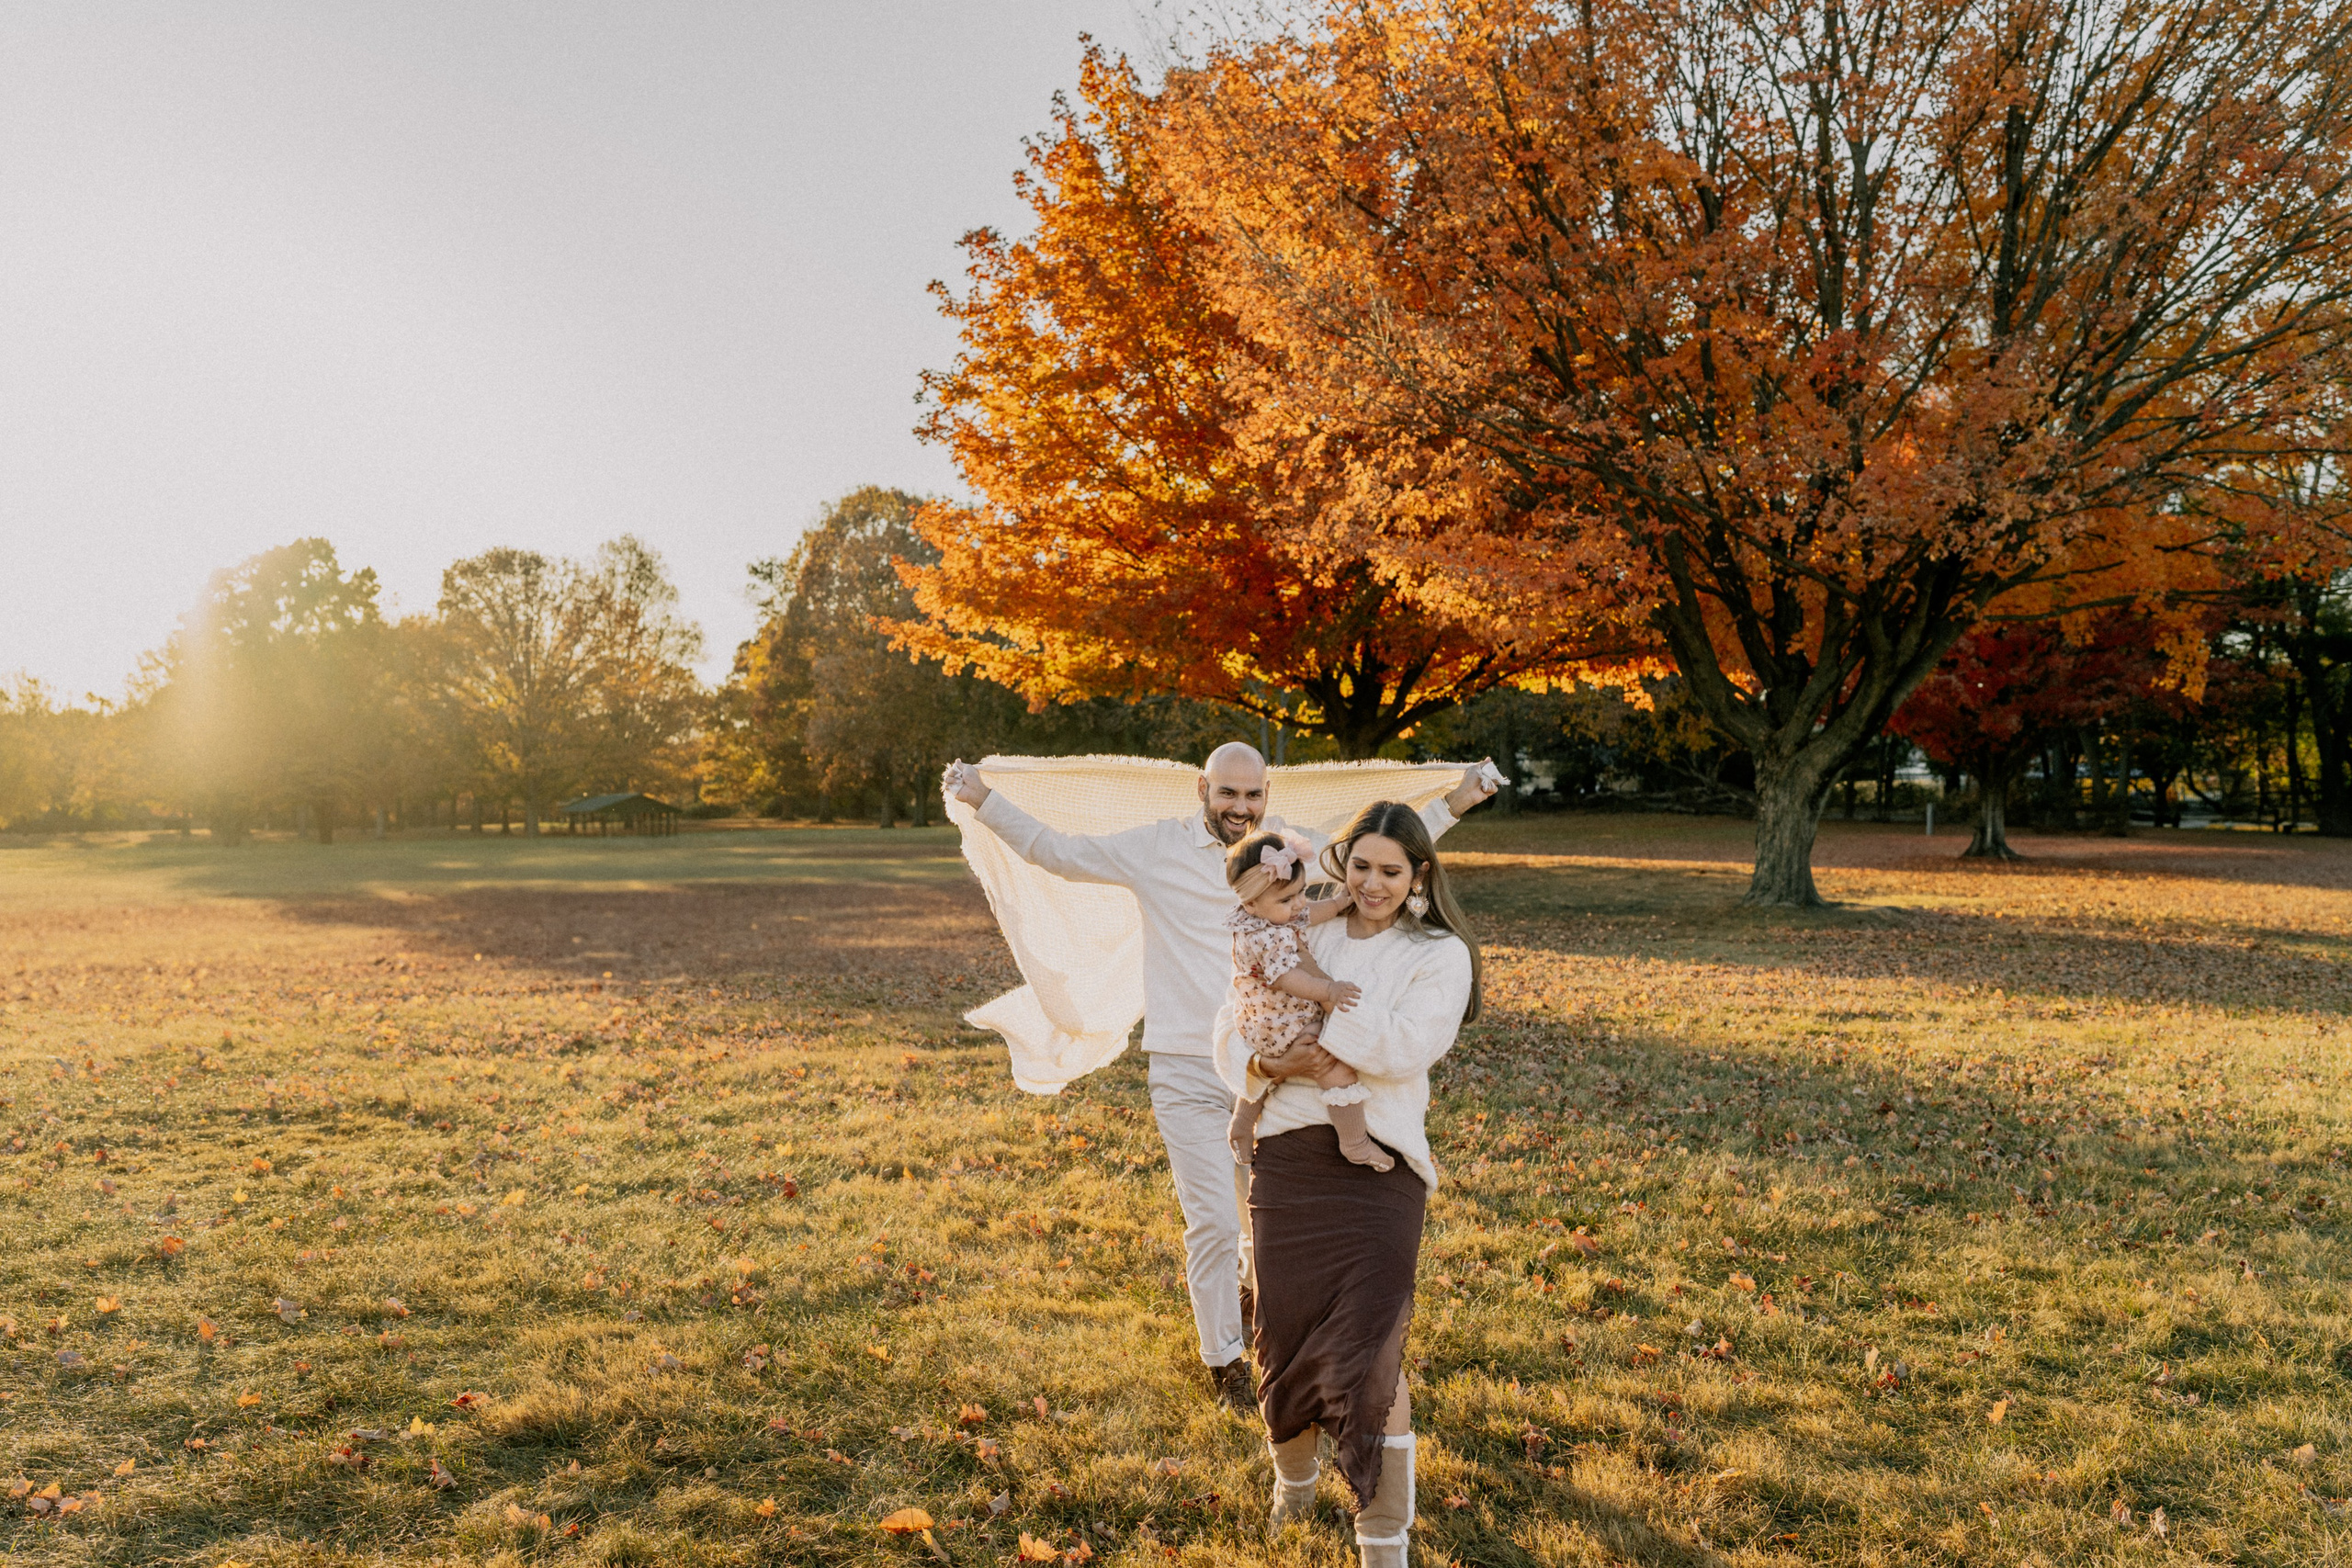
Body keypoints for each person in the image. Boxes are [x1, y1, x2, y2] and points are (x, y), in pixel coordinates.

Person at [945, 744, 1495, 1412]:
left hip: (1274, 1069)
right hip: (1184, 1066)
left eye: (1253, 795)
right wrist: (984, 799)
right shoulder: (1154, 848)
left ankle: (1252, 1294)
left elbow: (1369, 862)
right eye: (1228, 793)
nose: (1240, 807)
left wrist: (1456, 802)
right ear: (1204, 788)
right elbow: (1057, 850)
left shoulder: (1287, 849)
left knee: (1260, 1217)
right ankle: (1225, 1359)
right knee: (1209, 1218)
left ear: (1267, 793)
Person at [1214, 800, 1479, 1568]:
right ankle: (1292, 1486)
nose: (1371, 882)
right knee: (1285, 1338)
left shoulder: (1438, 953)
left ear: (1419, 873)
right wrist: (1267, 1063)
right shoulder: (1301, 924)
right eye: (1359, 865)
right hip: (1289, 1153)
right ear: (1341, 863)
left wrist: (1301, 1033)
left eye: (1390, 870)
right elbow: (1230, 1024)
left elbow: (1406, 1045)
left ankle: (1382, 1543)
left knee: (1370, 1351)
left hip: (1380, 1161)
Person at [1218, 828, 1388, 1172]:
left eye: (1300, 891)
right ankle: (1355, 1143)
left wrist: (1340, 903)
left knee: (1274, 1068)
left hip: (1259, 1019)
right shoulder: (1268, 935)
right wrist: (1328, 990)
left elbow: (1308, 912)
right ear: (1249, 902)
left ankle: (1241, 1123)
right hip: (1283, 1019)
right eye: (1287, 899)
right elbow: (1287, 978)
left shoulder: (1266, 913)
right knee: (1332, 1062)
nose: (1297, 903)